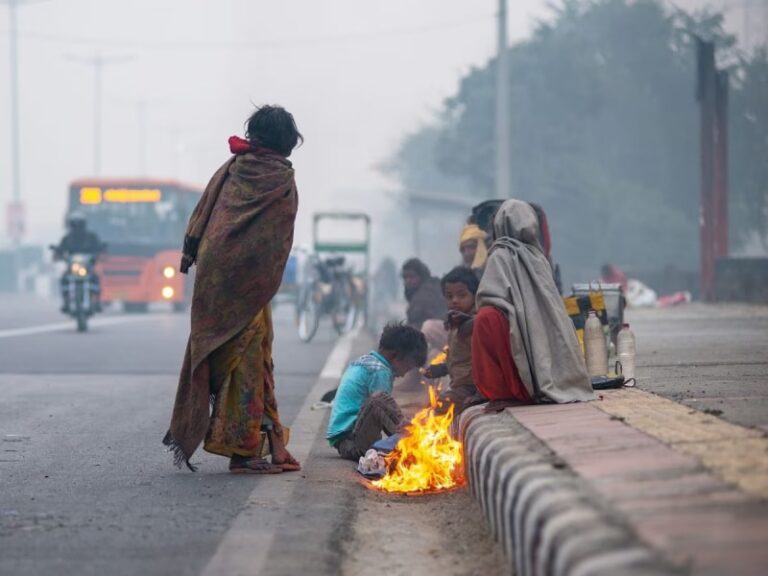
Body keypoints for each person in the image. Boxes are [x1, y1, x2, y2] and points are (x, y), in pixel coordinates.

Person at [163, 105, 303, 474]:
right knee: (248, 361)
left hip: (215, 277)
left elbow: (205, 216)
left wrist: (194, 253)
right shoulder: (280, 178)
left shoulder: (232, 170)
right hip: (249, 281)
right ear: (287, 142)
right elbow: (274, 241)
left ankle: (274, 445)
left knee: (257, 356)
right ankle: (244, 453)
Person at [472, 199, 593, 407]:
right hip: (538, 340)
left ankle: (505, 392)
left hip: (514, 336)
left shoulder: (500, 254)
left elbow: (488, 298)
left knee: (486, 318)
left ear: (500, 224)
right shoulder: (539, 257)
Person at [327, 323, 427, 461]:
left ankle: (408, 440)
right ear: (394, 356)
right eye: (408, 367)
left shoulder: (366, 361)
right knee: (380, 400)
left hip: (345, 441)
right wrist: (403, 429)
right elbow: (382, 408)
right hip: (353, 443)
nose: (404, 374)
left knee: (386, 406)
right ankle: (410, 444)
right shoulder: (380, 371)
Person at [423, 266, 480, 414]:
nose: (455, 301)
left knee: (434, 413)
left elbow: (486, 362)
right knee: (430, 407)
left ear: (475, 295)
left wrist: (480, 393)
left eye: (461, 295)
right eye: (449, 296)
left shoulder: (476, 324)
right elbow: (460, 359)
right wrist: (441, 369)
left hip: (471, 388)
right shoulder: (455, 323)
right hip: (459, 385)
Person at [53, 212, 105, 313]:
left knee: (95, 278)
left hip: (87, 266)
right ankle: (66, 302)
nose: (77, 228)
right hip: (72, 267)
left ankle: (97, 302)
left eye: (79, 224)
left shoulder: (91, 237)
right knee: (64, 279)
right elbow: (60, 249)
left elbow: (99, 247)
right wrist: (58, 254)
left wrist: (99, 253)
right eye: (75, 225)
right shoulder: (67, 238)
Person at [401, 258, 447, 329]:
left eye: (412, 276)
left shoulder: (426, 294)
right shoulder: (431, 286)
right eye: (405, 277)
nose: (408, 280)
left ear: (421, 276)